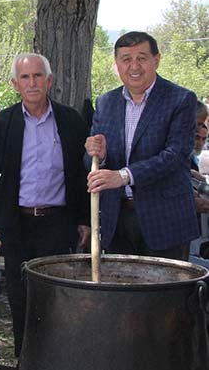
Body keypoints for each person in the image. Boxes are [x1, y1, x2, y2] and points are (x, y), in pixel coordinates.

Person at [0, 53, 90, 357]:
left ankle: (56, 359)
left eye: (38, 76)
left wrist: (84, 219)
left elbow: (81, 174)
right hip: (17, 226)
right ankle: (25, 359)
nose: (32, 83)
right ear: (16, 84)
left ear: (49, 81)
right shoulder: (3, 122)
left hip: (58, 224)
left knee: (57, 296)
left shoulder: (70, 121)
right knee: (20, 296)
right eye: (25, 77)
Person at [85, 31, 198, 260]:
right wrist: (100, 154)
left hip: (166, 222)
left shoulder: (181, 99)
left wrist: (124, 176)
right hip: (117, 221)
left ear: (156, 60)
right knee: (121, 293)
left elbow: (175, 155)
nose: (134, 66)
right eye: (126, 59)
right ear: (116, 64)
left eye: (142, 58)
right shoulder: (105, 103)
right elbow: (91, 162)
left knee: (165, 295)